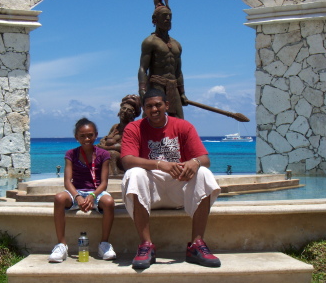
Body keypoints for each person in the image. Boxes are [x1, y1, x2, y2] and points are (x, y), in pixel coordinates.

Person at [120, 89, 221, 269]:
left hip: (178, 189)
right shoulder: (134, 128)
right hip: (151, 191)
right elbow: (127, 161)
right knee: (134, 173)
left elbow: (205, 159)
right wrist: (161, 165)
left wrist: (194, 162)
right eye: (149, 106)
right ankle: (146, 245)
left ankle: (196, 245)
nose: (154, 109)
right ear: (144, 108)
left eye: (158, 104)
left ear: (167, 105)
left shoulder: (183, 126)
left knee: (204, 173)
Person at [48, 118, 116, 262]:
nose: (87, 138)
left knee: (109, 202)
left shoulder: (104, 154)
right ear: (76, 137)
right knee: (59, 198)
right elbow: (67, 181)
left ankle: (104, 244)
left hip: (96, 192)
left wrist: (92, 196)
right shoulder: (70, 154)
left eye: (90, 135)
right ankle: (61, 245)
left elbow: (104, 183)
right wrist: (78, 197)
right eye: (82, 136)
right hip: (76, 191)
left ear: (96, 135)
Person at [138, 0, 188, 119]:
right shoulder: (150, 42)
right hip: (156, 84)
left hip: (173, 86)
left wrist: (182, 92)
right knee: (151, 118)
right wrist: (142, 90)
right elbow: (143, 68)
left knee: (179, 120)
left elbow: (178, 71)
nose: (167, 19)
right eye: (164, 16)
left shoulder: (177, 45)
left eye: (170, 17)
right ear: (155, 20)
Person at [97, 94, 141, 175]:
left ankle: (114, 175)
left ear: (133, 115)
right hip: (109, 151)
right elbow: (107, 138)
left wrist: (106, 147)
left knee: (111, 154)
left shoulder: (132, 128)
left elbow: (125, 146)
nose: (125, 111)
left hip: (124, 157)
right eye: (123, 108)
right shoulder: (115, 127)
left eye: (129, 110)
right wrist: (102, 142)